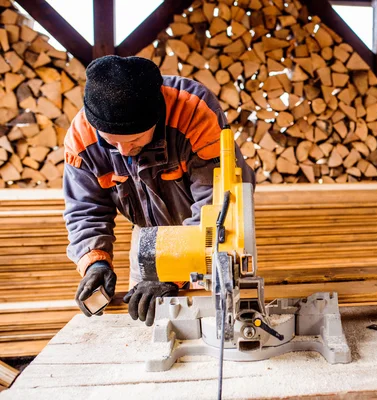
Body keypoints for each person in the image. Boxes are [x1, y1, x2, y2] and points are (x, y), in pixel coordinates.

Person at [63, 55, 255, 326]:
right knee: (146, 325)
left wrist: (172, 272)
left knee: (215, 324)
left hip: (210, 240)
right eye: (111, 143)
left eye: (135, 140)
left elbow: (216, 206)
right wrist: (95, 263)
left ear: (157, 117)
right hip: (147, 241)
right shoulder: (81, 137)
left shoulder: (194, 113)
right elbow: (84, 210)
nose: (124, 151)